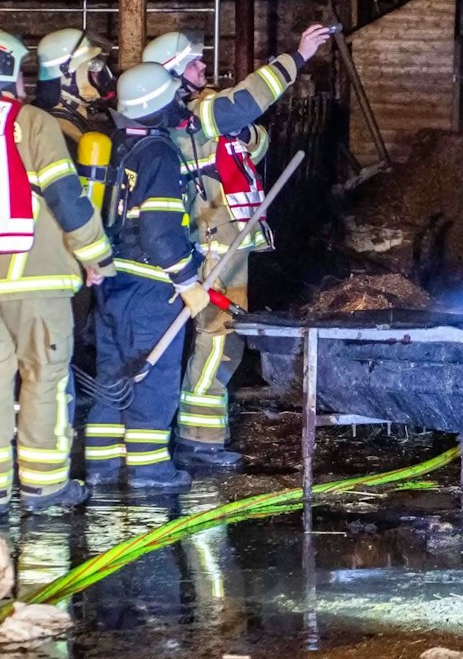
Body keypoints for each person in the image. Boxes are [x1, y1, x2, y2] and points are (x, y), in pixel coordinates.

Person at [0, 27, 114, 520]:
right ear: (5, 68)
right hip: (37, 281)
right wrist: (95, 256)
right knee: (45, 381)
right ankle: (44, 487)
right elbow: (66, 196)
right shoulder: (30, 122)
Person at [142, 23, 333, 469]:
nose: (203, 65)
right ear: (173, 75)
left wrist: (248, 136)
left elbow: (249, 144)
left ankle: (197, 435)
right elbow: (248, 101)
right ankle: (199, 440)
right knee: (219, 338)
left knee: (218, 338)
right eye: (193, 62)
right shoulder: (201, 111)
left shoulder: (203, 117)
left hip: (224, 239)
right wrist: (297, 57)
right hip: (214, 245)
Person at [84, 62, 215, 494]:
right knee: (153, 379)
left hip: (112, 282)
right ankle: (150, 469)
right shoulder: (158, 153)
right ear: (159, 104)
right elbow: (159, 231)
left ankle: (101, 464)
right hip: (150, 287)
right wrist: (186, 282)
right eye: (173, 96)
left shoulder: (121, 146)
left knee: (114, 374)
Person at [34, 27, 114, 144]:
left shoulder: (77, 119)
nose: (97, 75)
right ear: (66, 78)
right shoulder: (56, 133)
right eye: (88, 69)